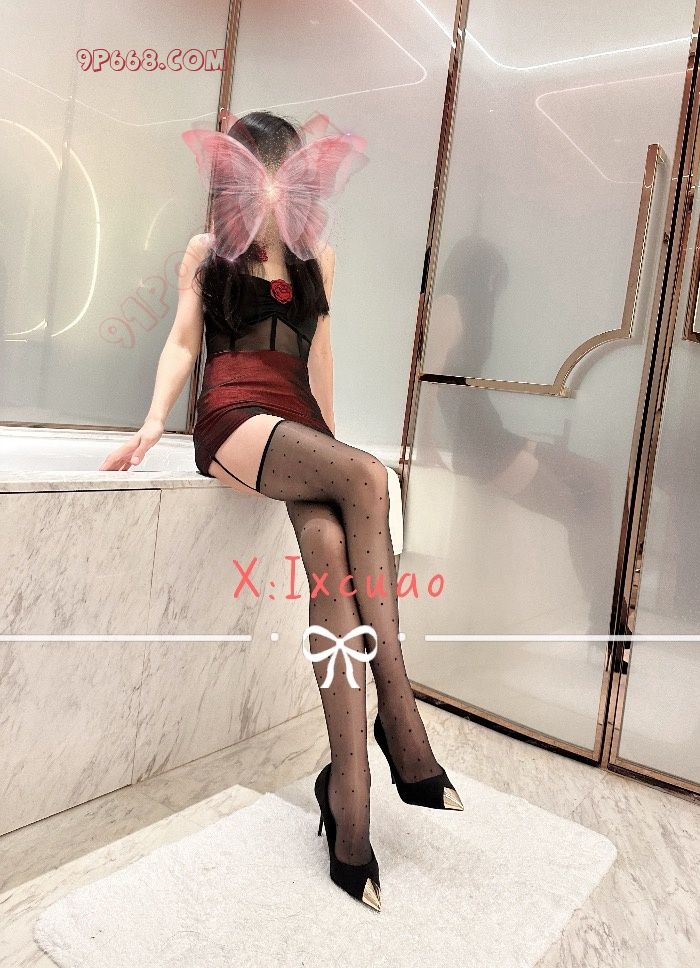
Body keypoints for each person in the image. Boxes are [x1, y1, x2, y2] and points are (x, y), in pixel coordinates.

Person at [99, 110, 463, 912]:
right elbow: (184, 343)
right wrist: (154, 422)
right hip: (231, 419)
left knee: (332, 538)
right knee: (369, 477)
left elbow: (320, 358)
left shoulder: (317, 257)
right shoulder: (208, 252)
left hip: (294, 424)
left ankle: (348, 799)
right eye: (254, 174)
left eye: (281, 173)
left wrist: (329, 449)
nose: (268, 190)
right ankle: (399, 715)